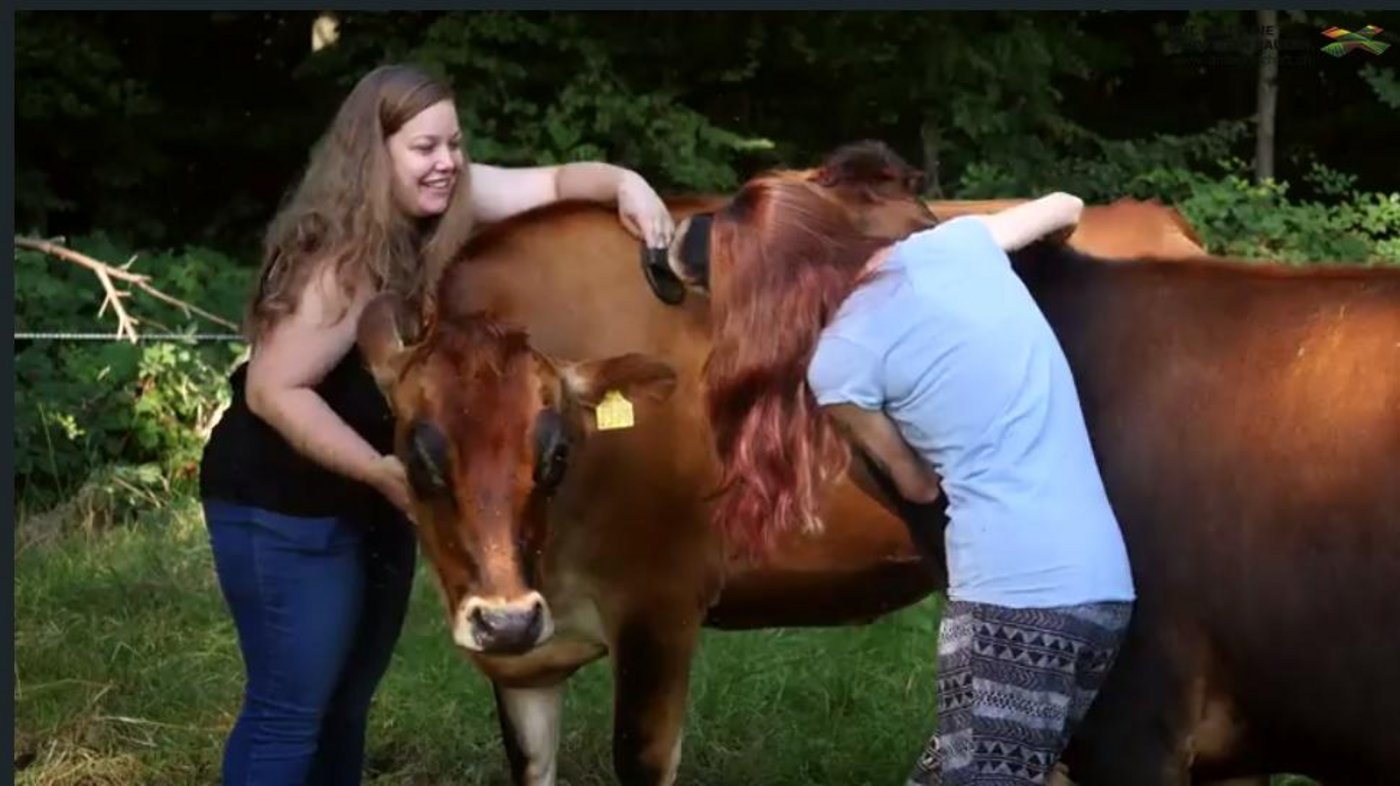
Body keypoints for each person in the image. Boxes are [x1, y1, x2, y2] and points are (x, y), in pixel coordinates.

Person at [197, 63, 675, 785]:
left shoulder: (443, 206)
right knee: (290, 710)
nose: (448, 162)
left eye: (453, 142)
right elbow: (273, 391)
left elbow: (551, 183)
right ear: (373, 153)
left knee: (346, 703)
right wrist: (379, 472)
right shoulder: (340, 260)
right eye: (425, 148)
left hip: (385, 496)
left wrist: (626, 186)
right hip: (284, 508)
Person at [702, 176, 1135, 786]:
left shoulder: (841, 361)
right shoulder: (956, 245)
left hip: (1010, 601)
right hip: (1102, 590)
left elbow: (916, 487)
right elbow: (1068, 204)